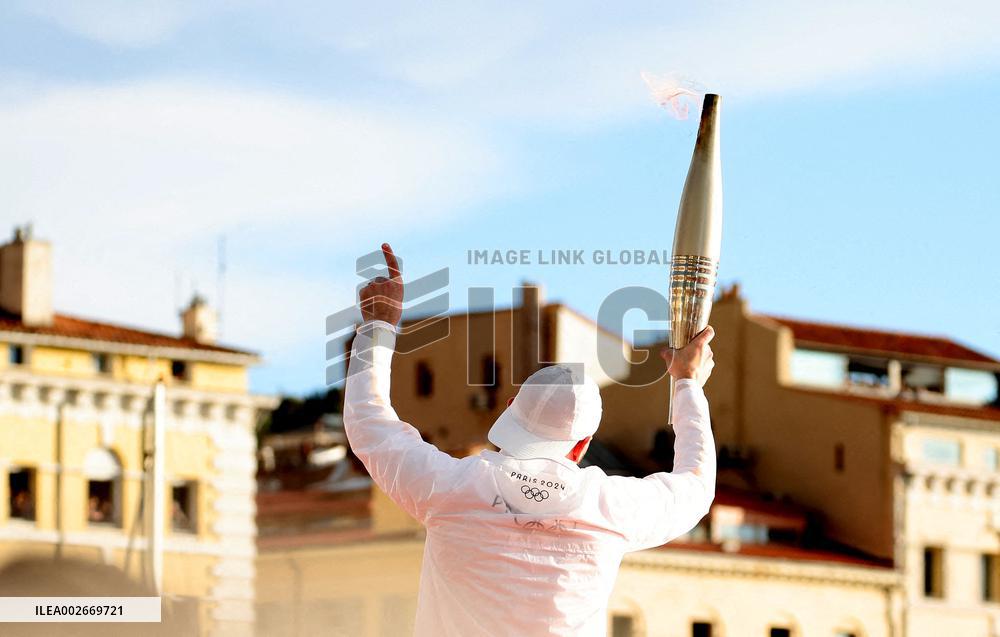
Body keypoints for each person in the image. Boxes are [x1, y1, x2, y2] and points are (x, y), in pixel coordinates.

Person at [344, 243, 716, 637]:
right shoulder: (611, 507)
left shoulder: (450, 487)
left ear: (509, 408)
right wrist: (687, 382)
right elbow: (696, 483)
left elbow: (368, 421)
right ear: (583, 444)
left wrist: (378, 325)